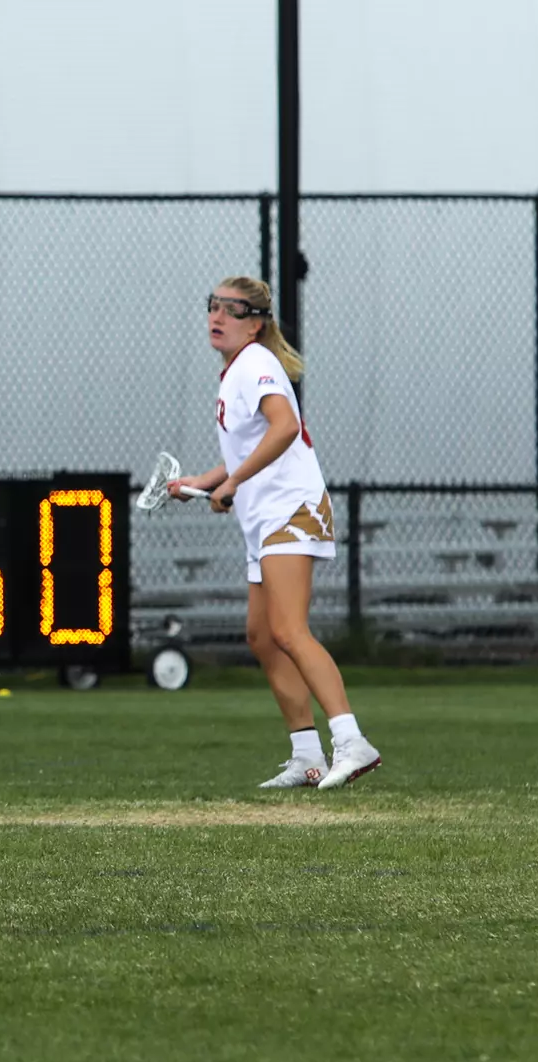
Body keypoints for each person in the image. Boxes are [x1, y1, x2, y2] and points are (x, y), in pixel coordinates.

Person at [170, 277, 382, 791]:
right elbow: (249, 447)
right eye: (213, 306)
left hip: (294, 509)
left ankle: (352, 742)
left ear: (257, 322)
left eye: (232, 310)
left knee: (288, 630)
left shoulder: (257, 363)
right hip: (264, 518)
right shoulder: (237, 370)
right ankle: (307, 757)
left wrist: (235, 481)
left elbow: (284, 427)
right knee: (263, 637)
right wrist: (207, 481)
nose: (217, 317)